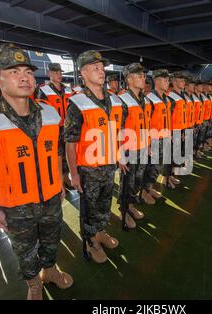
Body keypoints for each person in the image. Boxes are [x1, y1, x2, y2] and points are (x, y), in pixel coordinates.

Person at [0, 43, 73, 300]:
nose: (24, 77)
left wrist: (59, 183)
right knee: (24, 250)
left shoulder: (49, 113)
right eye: (13, 71)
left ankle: (51, 270)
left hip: (49, 197)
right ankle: (34, 283)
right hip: (14, 205)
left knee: (51, 239)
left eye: (28, 71)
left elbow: (56, 152)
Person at [65, 50, 126, 263]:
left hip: (109, 165)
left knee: (104, 203)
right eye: (95, 68)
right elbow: (70, 142)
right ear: (83, 72)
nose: (101, 72)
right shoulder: (77, 103)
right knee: (89, 208)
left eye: (102, 67)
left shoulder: (113, 100)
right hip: (88, 169)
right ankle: (90, 241)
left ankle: (100, 231)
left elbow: (115, 131)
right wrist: (73, 174)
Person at [118, 62, 153, 229]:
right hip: (129, 150)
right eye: (139, 75)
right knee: (127, 183)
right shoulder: (122, 100)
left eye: (144, 75)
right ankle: (124, 210)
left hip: (143, 147)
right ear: (129, 79)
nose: (143, 78)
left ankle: (131, 205)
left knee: (137, 180)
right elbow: (117, 129)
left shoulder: (144, 100)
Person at [37, 62, 73, 188]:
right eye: (55, 72)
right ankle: (59, 180)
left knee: (67, 153)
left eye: (60, 72)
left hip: (67, 127)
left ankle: (66, 178)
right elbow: (40, 110)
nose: (59, 75)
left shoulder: (68, 90)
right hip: (53, 128)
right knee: (56, 154)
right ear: (49, 74)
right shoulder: (43, 91)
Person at [143, 69, 172, 197]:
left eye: (168, 80)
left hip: (164, 138)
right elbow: (146, 123)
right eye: (165, 80)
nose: (168, 82)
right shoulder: (149, 99)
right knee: (150, 168)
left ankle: (149, 187)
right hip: (154, 140)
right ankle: (144, 191)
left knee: (157, 167)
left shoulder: (166, 98)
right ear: (157, 81)